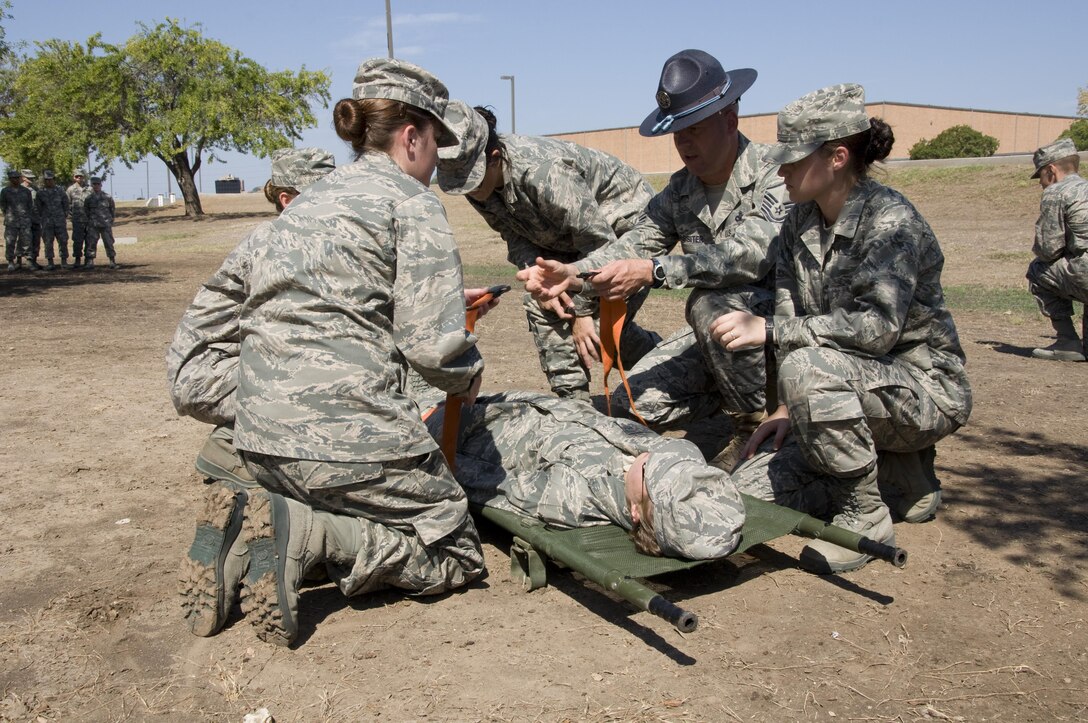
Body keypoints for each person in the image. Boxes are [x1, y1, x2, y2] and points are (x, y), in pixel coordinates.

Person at [229, 58, 486, 648]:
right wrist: (467, 374)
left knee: (362, 507)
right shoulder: (410, 201)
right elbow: (432, 347)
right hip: (346, 441)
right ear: (412, 136)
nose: (436, 163)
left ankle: (254, 544)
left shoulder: (308, 203)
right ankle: (312, 537)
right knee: (453, 549)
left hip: (260, 437)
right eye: (436, 144)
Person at [708, 83, 972, 573]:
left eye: (792, 160)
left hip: (924, 392)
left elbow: (877, 330)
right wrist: (786, 407)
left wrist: (771, 333)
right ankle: (899, 474)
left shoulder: (892, 222)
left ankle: (866, 514)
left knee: (808, 370)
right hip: (841, 387)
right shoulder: (798, 222)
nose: (781, 171)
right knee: (745, 492)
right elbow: (792, 316)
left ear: (837, 158)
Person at [517, 49, 791, 469]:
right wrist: (573, 273)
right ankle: (721, 400)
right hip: (717, 341)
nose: (684, 143)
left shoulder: (778, 173)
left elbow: (748, 255)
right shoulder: (680, 190)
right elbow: (636, 244)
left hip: (783, 336)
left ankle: (751, 426)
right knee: (625, 409)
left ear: (730, 119)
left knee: (709, 302)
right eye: (677, 131)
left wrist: (655, 271)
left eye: (694, 128)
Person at [436, 100, 659, 401]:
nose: (468, 190)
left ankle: (678, 369)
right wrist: (536, 275)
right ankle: (574, 405)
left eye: (471, 182)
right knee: (541, 302)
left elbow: (598, 242)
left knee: (598, 328)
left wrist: (581, 311)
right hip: (570, 240)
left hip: (624, 229)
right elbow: (513, 234)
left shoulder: (544, 174)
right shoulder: (477, 183)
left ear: (494, 158)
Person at [1024, 138, 1088, 361]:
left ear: (1051, 170)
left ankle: (1067, 341)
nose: (1041, 183)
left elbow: (1048, 249)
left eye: (1040, 176)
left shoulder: (1056, 192)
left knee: (1038, 270)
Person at [36, 170, 70, 270]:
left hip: (60, 221)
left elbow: (66, 204)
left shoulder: (60, 191)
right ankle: (50, 263)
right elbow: (38, 207)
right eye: (46, 180)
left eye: (50, 179)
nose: (48, 181)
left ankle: (64, 261)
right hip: (47, 222)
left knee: (63, 241)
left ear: (54, 179)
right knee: (48, 242)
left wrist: (64, 215)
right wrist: (44, 217)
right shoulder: (40, 192)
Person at [2, 169, 34, 271]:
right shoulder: (5, 191)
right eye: (13, 178)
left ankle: (29, 260)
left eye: (17, 177)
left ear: (20, 178)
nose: (15, 180)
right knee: (10, 241)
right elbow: (3, 206)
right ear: (10, 179)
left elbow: (30, 205)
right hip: (11, 221)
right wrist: (9, 216)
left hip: (25, 221)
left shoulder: (26, 191)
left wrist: (26, 216)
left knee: (27, 241)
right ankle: (10, 261)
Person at [83, 177, 117, 269]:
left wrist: (110, 220)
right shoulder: (89, 198)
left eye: (98, 184)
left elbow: (112, 210)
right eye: (94, 184)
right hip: (93, 225)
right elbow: (86, 210)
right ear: (92, 185)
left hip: (105, 224)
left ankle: (112, 261)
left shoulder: (107, 197)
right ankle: (90, 261)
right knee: (91, 243)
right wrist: (90, 220)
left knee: (109, 242)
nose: (96, 186)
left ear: (101, 185)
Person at [67, 170, 91, 269]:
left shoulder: (90, 189)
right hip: (77, 220)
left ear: (83, 177)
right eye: (77, 176)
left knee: (89, 241)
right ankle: (77, 260)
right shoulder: (70, 190)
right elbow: (67, 204)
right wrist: (71, 216)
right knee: (77, 241)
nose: (79, 178)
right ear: (74, 177)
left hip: (89, 220)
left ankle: (88, 260)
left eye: (80, 176)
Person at [20, 169, 43, 268]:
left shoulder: (36, 189)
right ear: (23, 178)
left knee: (36, 240)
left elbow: (39, 204)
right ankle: (24, 261)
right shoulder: (19, 189)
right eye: (28, 177)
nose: (31, 179)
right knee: (25, 241)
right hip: (24, 220)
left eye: (32, 177)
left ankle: (34, 260)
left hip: (35, 219)